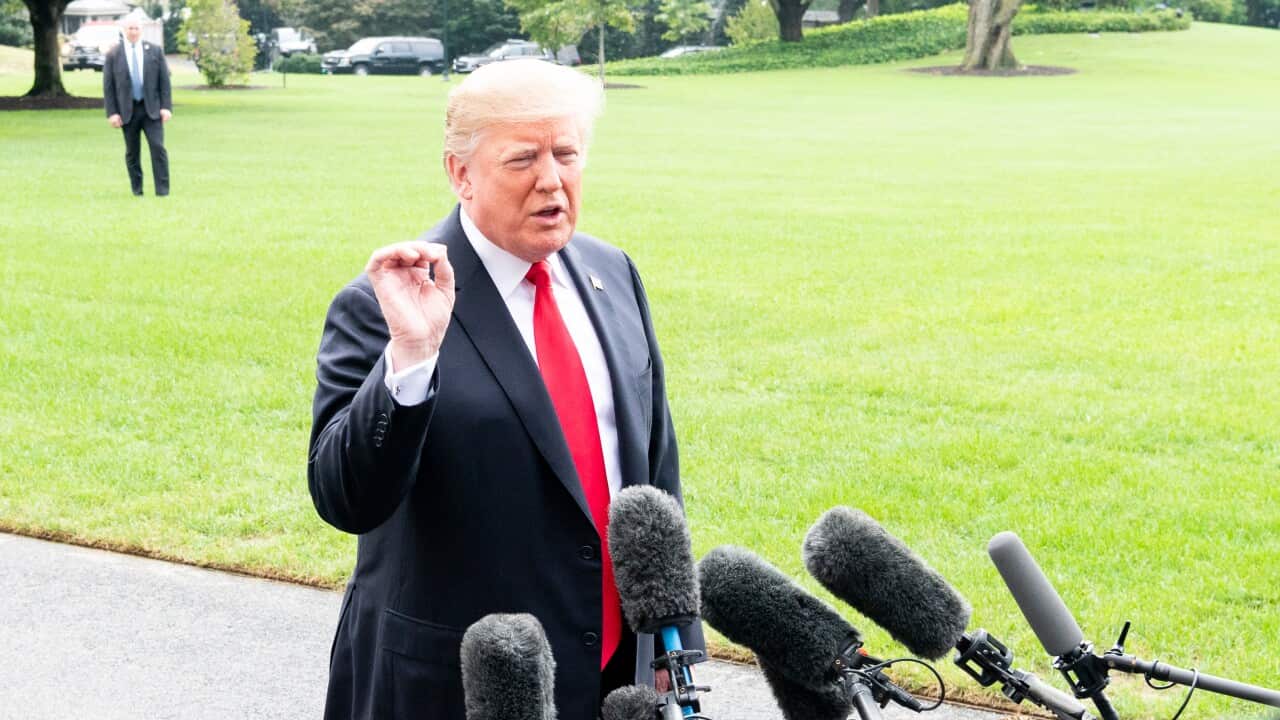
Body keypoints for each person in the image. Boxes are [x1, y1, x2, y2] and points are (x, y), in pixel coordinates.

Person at [308, 59, 702, 720]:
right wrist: (411, 356)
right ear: (460, 173)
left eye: (567, 154)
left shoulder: (613, 274)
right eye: (523, 159)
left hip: (614, 679)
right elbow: (346, 497)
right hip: (458, 686)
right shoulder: (387, 304)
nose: (552, 180)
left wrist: (673, 645)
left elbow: (657, 477)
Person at [103, 19, 172, 197]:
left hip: (152, 110)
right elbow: (109, 87)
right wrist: (112, 113)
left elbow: (164, 82)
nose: (133, 32)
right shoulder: (113, 54)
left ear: (141, 30)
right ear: (123, 30)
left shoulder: (155, 51)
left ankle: (162, 191)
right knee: (132, 153)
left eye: (136, 28)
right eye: (130, 28)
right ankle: (137, 190)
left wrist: (166, 107)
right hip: (128, 111)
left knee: (158, 148)